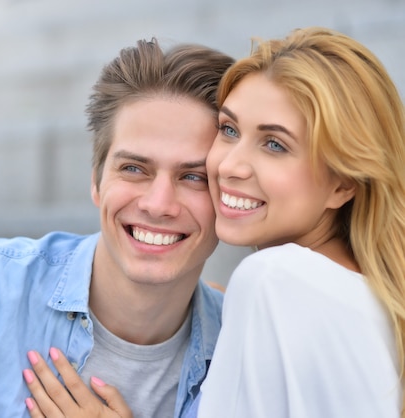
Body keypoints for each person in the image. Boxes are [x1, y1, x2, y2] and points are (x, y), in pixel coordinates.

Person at [23, 26, 405, 418]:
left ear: (343, 184)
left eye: (275, 144)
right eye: (229, 129)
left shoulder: (273, 279)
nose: (229, 166)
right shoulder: (369, 298)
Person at [0, 38, 235, 417]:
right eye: (134, 168)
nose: (158, 204)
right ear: (96, 181)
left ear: (229, 198)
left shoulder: (242, 345)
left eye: (194, 177)